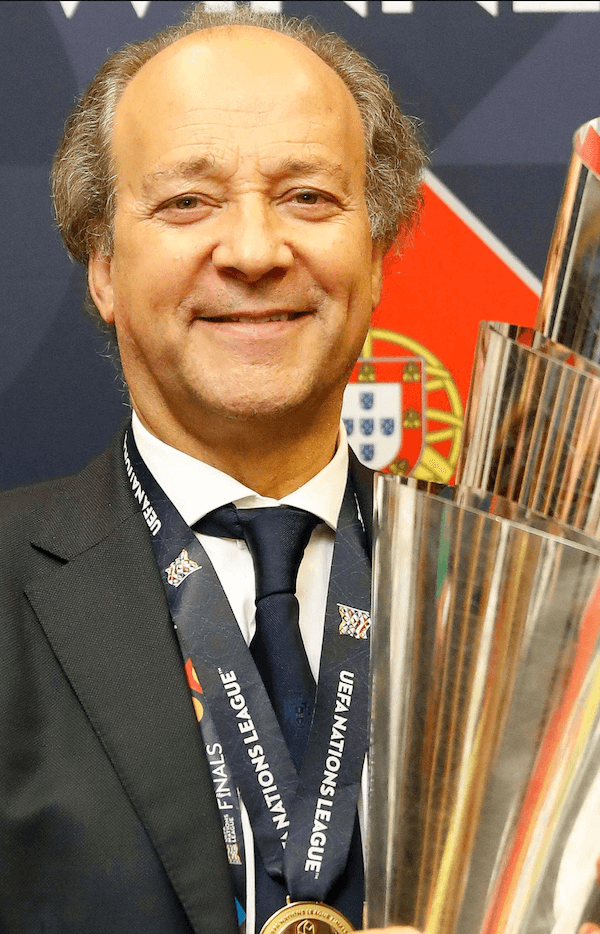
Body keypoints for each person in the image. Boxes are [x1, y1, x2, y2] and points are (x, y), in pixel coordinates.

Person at [0, 4, 426, 933]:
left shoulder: (518, 608)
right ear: (103, 266)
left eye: (308, 197)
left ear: (379, 253)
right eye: (187, 202)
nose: (255, 251)